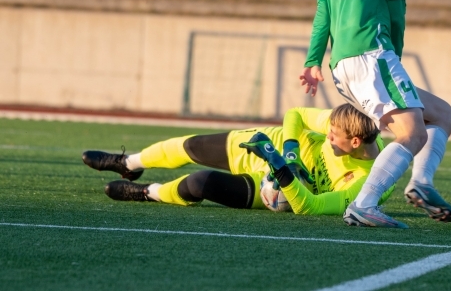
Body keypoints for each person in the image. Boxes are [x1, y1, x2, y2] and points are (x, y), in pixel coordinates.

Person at [299, 0, 451, 228]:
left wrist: (313, 62)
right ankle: (364, 203)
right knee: (413, 134)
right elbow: (396, 8)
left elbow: (322, 17)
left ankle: (422, 184)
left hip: (342, 66)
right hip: (373, 55)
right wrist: (394, 58)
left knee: (440, 114)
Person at [82, 104, 395, 216]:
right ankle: (130, 164)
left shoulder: (371, 183)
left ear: (355, 143)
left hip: (276, 187)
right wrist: (288, 154)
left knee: (199, 183)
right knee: (191, 146)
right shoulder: (349, 120)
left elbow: (309, 208)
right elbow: (296, 114)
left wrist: (280, 168)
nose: (327, 135)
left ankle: (150, 193)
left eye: (332, 136)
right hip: (270, 145)